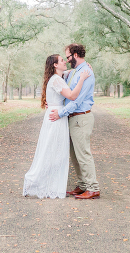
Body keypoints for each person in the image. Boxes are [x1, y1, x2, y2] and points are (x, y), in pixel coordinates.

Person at [23, 54, 89, 198]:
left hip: (56, 115)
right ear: (55, 65)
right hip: (56, 118)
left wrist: (82, 68)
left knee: (55, 151)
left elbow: (69, 72)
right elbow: (72, 96)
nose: (65, 62)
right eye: (61, 60)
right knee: (53, 151)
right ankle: (40, 182)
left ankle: (50, 184)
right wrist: (82, 79)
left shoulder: (57, 77)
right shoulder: (57, 80)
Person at [48, 43, 99, 200]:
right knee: (75, 154)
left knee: (83, 153)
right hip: (72, 118)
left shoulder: (86, 73)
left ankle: (92, 188)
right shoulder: (75, 72)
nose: (68, 60)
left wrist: (60, 113)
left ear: (75, 55)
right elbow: (61, 87)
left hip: (81, 117)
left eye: (68, 57)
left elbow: (76, 101)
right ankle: (82, 185)